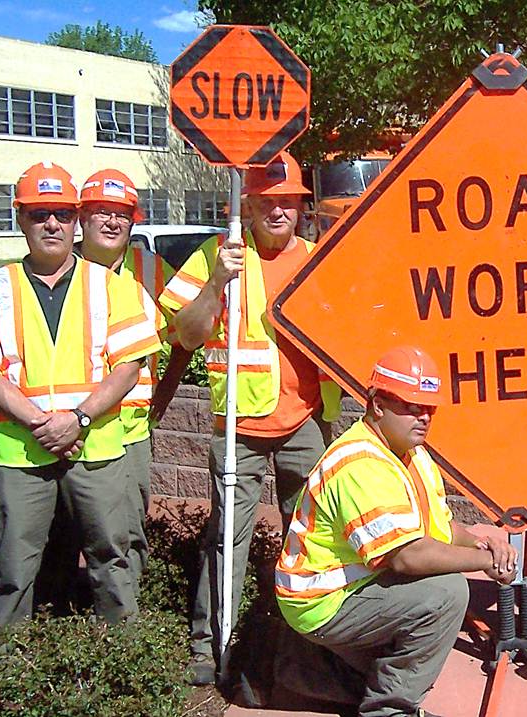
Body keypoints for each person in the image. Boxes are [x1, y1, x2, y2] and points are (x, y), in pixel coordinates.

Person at [0, 161, 161, 663]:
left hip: (98, 446)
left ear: (75, 219)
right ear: (21, 219)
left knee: (112, 558)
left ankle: (126, 667)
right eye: (40, 214)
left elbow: (128, 367)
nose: (52, 225)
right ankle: (2, 673)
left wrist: (78, 419)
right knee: (15, 567)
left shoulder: (110, 284)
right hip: (23, 453)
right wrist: (42, 423)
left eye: (62, 214)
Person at [159, 152, 340, 685]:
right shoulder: (215, 255)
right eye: (268, 202)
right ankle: (208, 643)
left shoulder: (318, 257)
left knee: (315, 539)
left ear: (300, 208)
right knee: (225, 538)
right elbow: (185, 336)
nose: (279, 211)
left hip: (307, 424)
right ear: (247, 205)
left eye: (289, 202)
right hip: (239, 426)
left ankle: (308, 641)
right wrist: (217, 283)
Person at [273, 346, 517, 716]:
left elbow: (441, 527)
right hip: (321, 600)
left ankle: (315, 669)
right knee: (446, 594)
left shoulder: (411, 453)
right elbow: (406, 557)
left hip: (352, 586)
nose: (423, 416)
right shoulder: (360, 463)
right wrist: (482, 562)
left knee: (428, 601)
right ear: (377, 404)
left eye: (429, 408)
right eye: (410, 405)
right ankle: (389, 709)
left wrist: (485, 541)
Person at [78, 169, 173, 592]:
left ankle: (127, 629)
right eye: (101, 212)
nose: (112, 222)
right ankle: (56, 621)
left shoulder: (152, 270)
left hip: (130, 427)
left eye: (121, 214)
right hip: (69, 426)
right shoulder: (61, 268)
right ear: (82, 219)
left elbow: (190, 327)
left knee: (128, 531)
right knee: (62, 534)